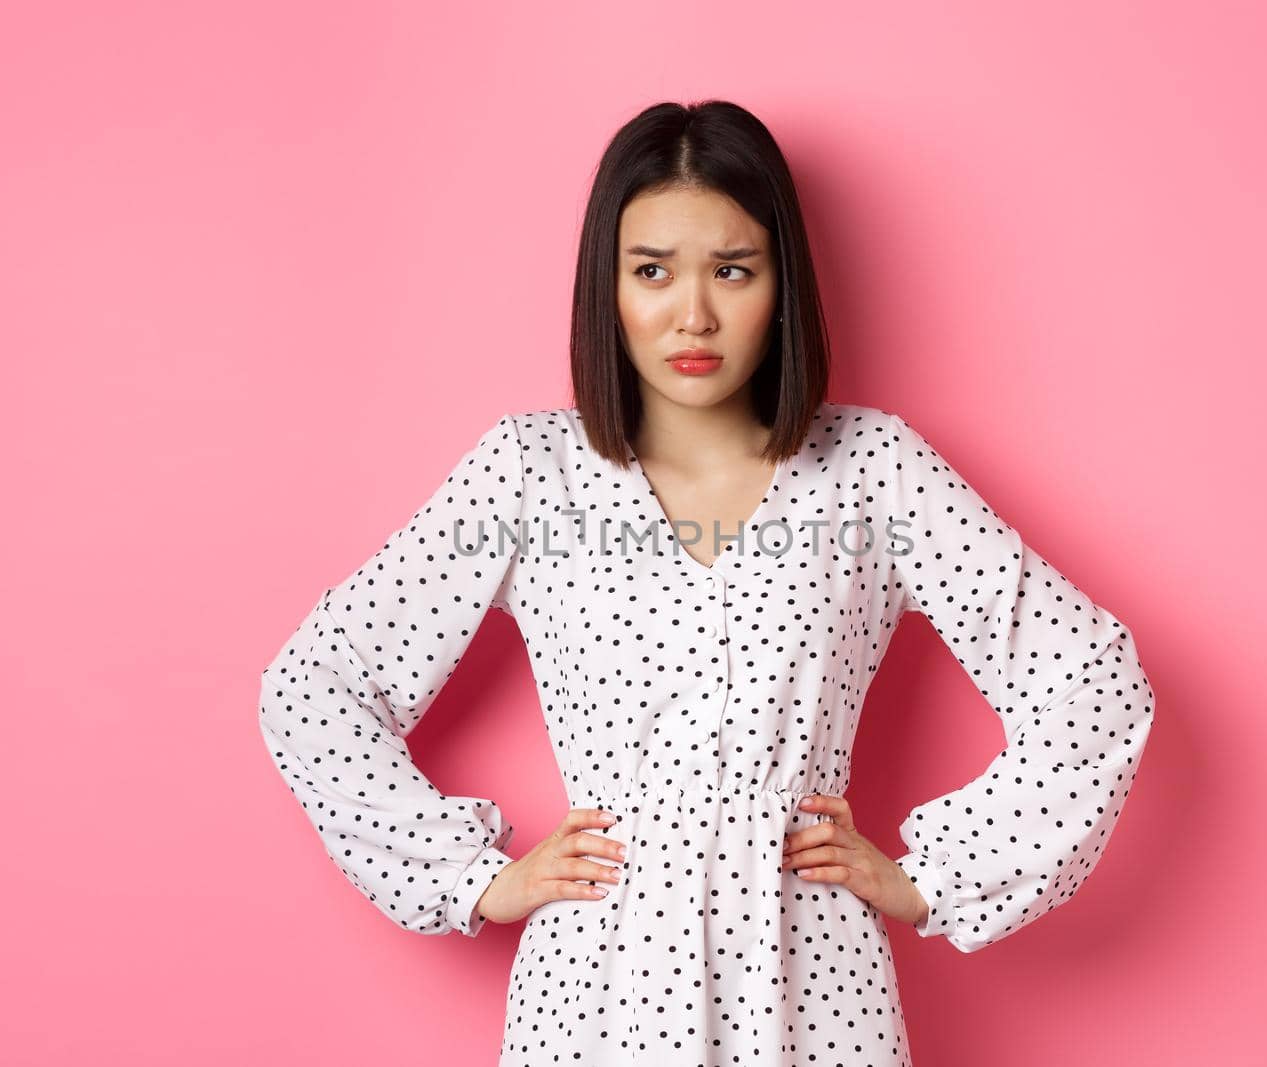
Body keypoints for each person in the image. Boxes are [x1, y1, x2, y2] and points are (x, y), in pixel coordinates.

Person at [257, 99, 1155, 1066]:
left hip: (816, 981)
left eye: (733, 270)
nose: (694, 314)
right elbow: (316, 685)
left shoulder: (875, 469)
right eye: (652, 271)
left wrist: (941, 875)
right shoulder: (529, 472)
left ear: (783, 283)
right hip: (594, 992)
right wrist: (469, 876)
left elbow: (1091, 680)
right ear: (607, 287)